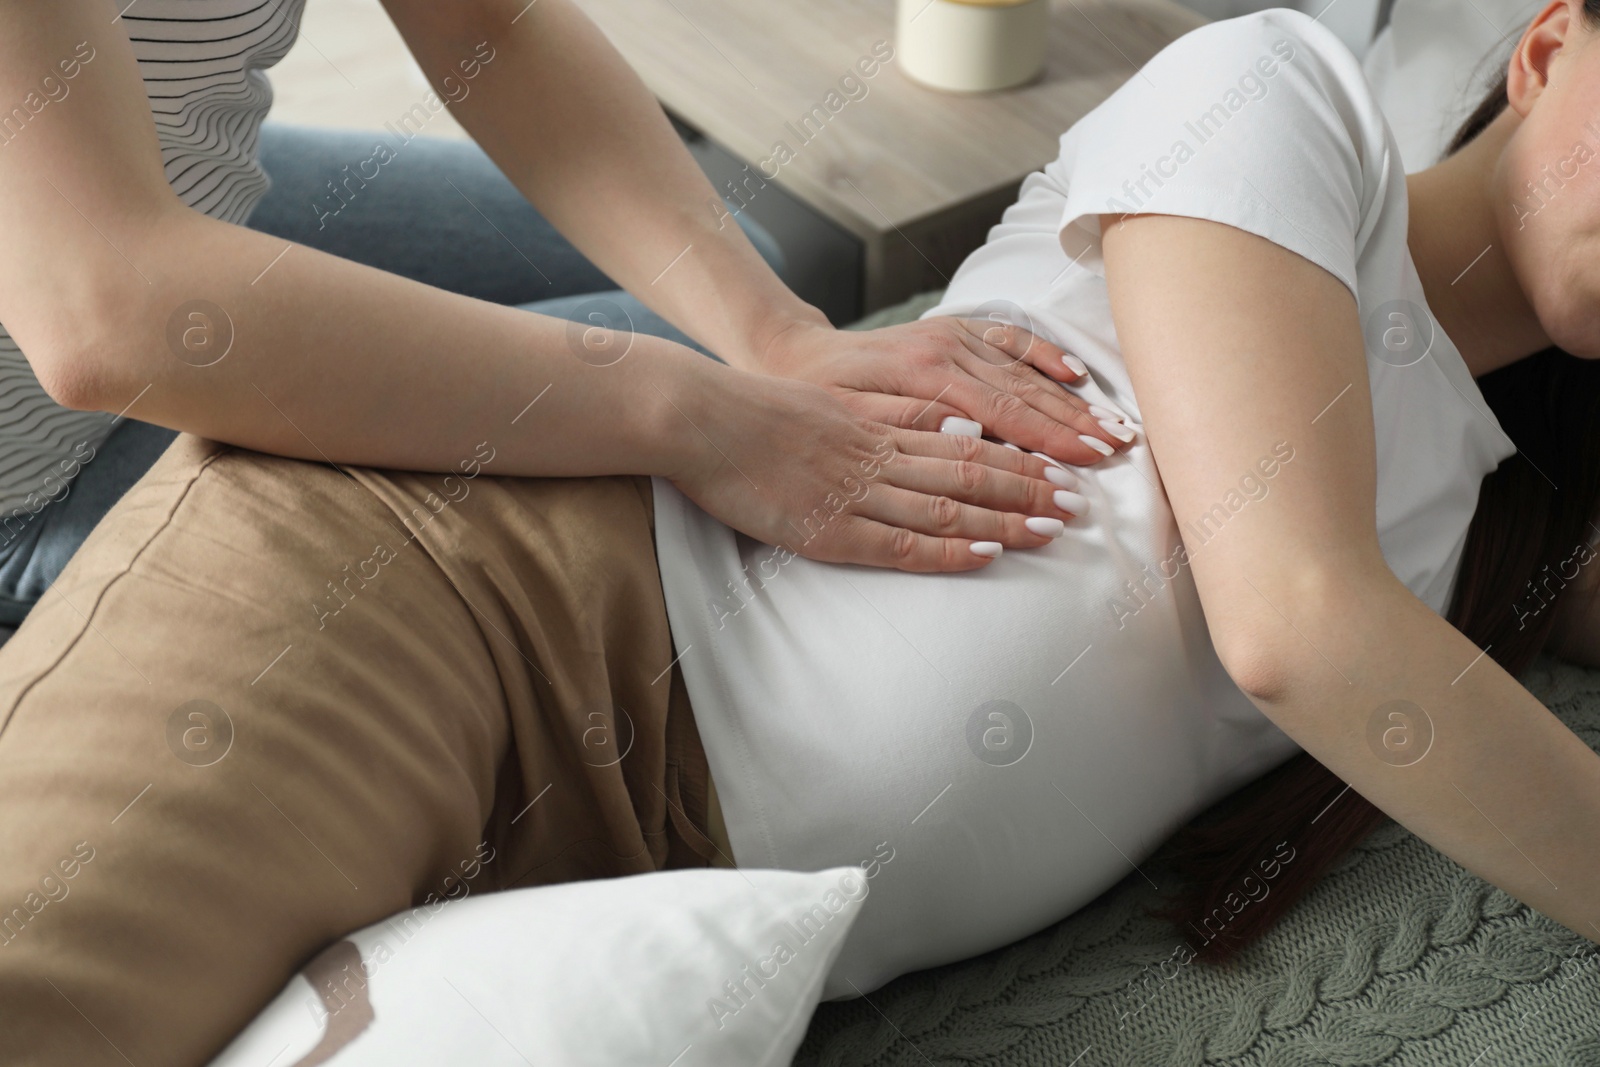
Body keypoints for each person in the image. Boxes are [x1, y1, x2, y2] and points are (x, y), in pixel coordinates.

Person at [6, 1, 1600, 1064]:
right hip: (480, 616)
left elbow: (488, 23)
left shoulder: (1484, 515)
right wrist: (706, 399)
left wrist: (764, 341)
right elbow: (1298, 624)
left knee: (734, 271)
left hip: (636, 832)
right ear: (1542, 45)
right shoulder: (1278, 98)